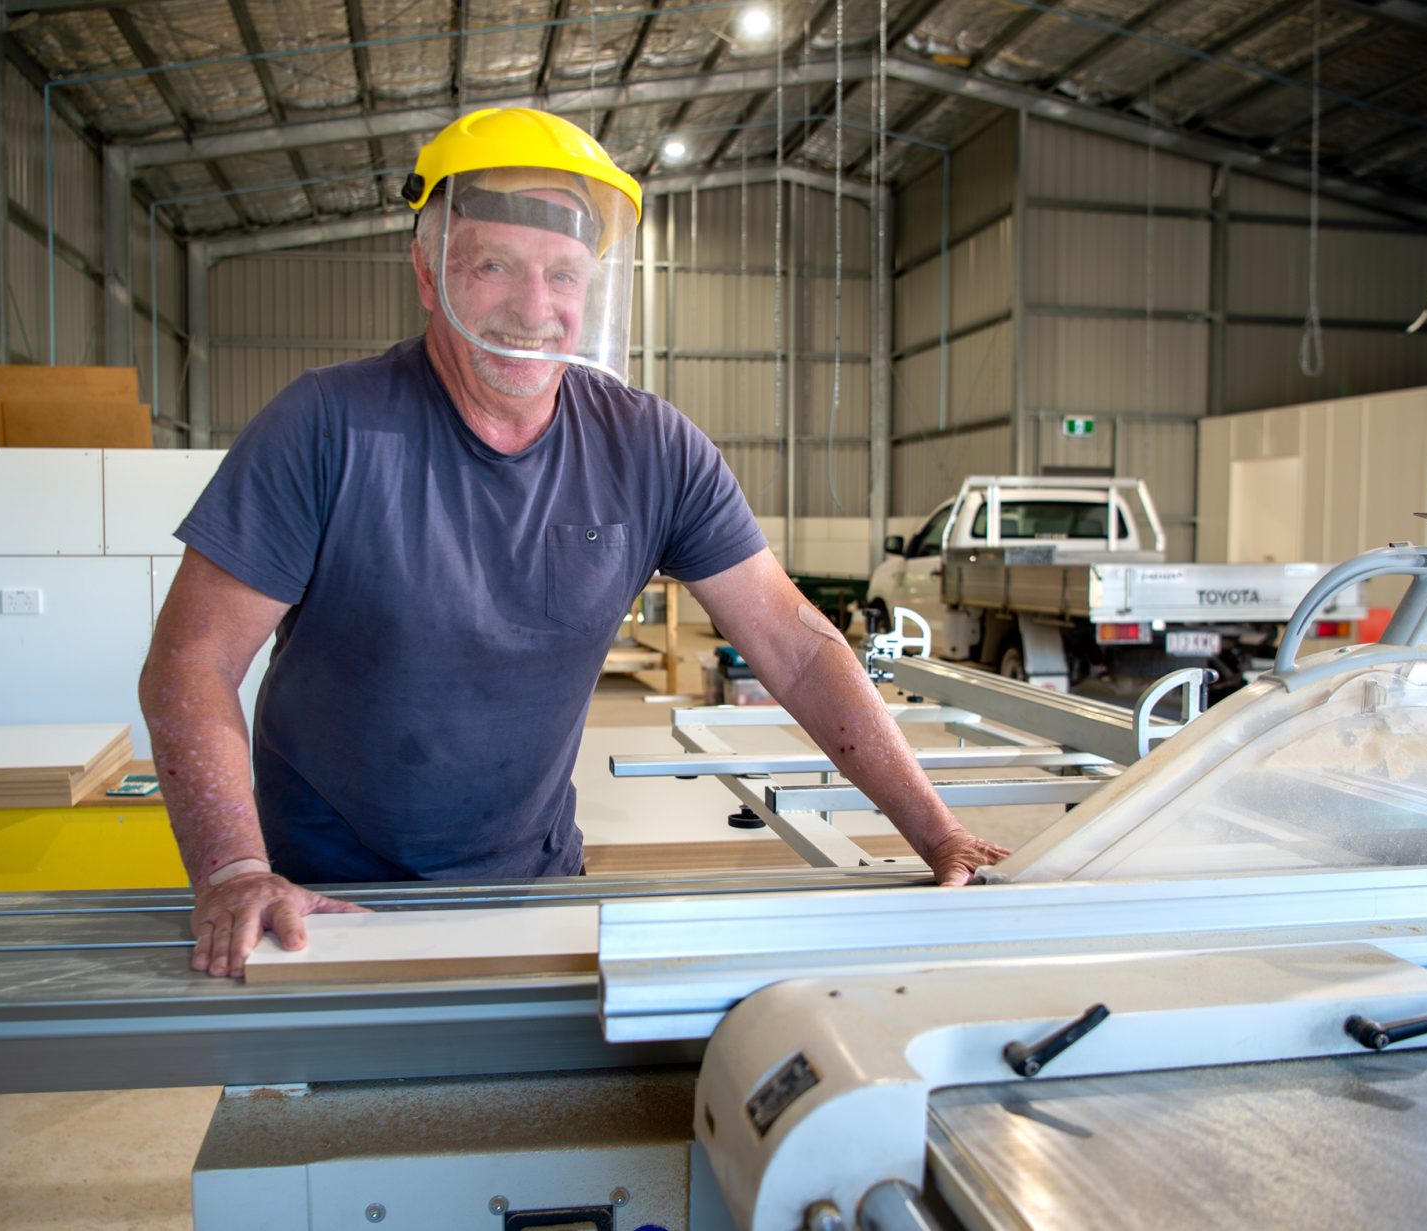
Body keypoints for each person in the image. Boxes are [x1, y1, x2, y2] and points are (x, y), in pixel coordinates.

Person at [139, 107, 1006, 979]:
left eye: (563, 274)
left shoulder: (651, 448)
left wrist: (937, 831)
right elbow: (191, 661)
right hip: (321, 908)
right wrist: (236, 868)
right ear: (429, 273)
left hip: (538, 891)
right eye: (494, 266)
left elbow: (800, 649)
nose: (534, 308)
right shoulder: (326, 426)